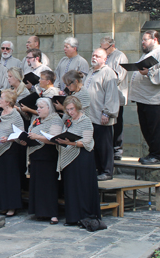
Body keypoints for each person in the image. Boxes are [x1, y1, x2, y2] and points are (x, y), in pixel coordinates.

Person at [129, 30, 160, 165]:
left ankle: (157, 155)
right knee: (146, 128)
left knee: (155, 129)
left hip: (156, 99)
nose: (142, 42)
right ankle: (152, 153)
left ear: (155, 39)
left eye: (145, 40)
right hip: (144, 99)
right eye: (142, 40)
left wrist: (149, 72)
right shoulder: (148, 54)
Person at [56, 96, 101, 226]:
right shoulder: (68, 121)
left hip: (82, 158)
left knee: (82, 187)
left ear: (77, 107)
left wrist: (70, 142)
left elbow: (87, 141)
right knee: (71, 188)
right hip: (70, 156)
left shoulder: (86, 120)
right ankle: (72, 217)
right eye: (68, 109)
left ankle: (85, 215)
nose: (70, 112)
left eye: (72, 109)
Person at [22, 98, 63, 224]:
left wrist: (37, 137)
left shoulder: (55, 119)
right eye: (37, 107)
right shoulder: (36, 120)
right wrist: (26, 139)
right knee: (37, 186)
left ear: (49, 108)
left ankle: (52, 214)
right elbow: (30, 132)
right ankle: (39, 212)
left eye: (41, 107)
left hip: (48, 156)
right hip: (35, 156)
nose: (38, 110)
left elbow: (55, 139)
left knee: (48, 186)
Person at [0, 89, 25, 217]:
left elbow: (21, 134)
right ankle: (2, 205)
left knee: (10, 179)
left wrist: (9, 138)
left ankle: (12, 206)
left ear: (8, 102)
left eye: (1, 98)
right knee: (0, 178)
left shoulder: (16, 115)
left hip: (10, 150)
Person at [84, 48, 119, 181]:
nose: (94, 58)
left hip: (101, 116)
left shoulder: (108, 73)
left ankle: (107, 171)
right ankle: (98, 169)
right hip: (90, 115)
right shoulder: (90, 71)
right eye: (93, 55)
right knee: (95, 146)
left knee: (104, 146)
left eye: (98, 56)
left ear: (105, 59)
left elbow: (111, 95)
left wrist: (107, 113)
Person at [100, 37, 129, 160]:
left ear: (112, 46)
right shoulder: (103, 56)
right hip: (103, 97)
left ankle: (117, 149)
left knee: (117, 124)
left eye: (105, 48)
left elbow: (119, 77)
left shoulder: (120, 57)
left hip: (116, 96)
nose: (103, 50)